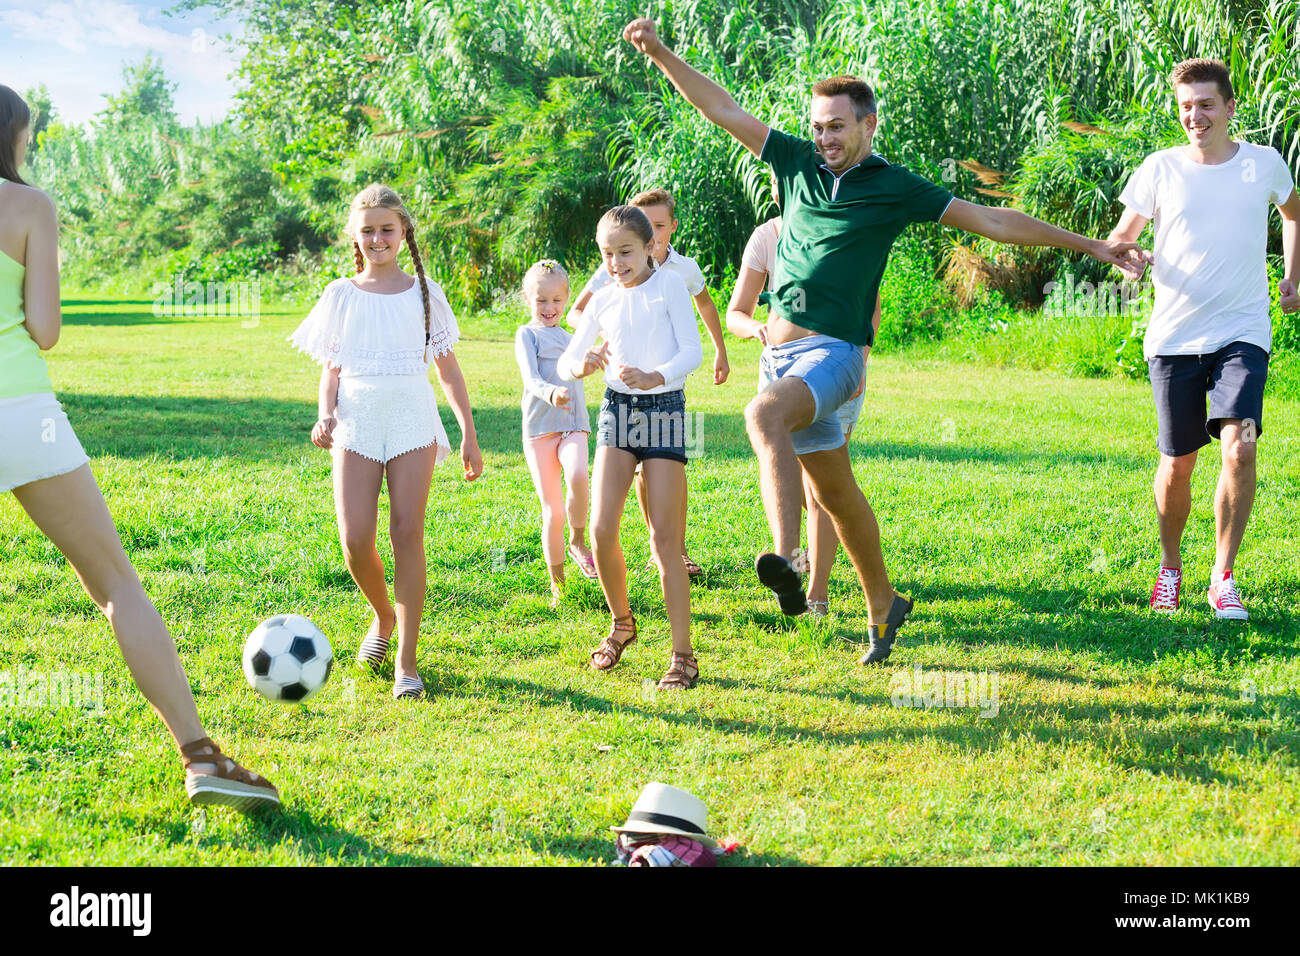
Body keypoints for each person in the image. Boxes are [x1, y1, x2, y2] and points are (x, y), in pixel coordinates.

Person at [621, 17, 1147, 665]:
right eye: (817, 125)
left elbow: (992, 221)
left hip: (836, 355)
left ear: (869, 125)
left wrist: (1092, 243)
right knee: (836, 494)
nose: (824, 137)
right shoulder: (794, 163)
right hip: (781, 357)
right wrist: (660, 50)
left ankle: (785, 559)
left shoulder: (895, 186)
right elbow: (719, 106)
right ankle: (883, 604)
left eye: (836, 125)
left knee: (763, 416)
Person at [0, 84, 278, 812]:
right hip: (23, 412)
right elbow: (46, 329)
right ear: (13, 136)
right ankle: (198, 753)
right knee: (116, 584)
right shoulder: (30, 207)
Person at [1108, 58, 1299, 621]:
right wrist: (1128, 259)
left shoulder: (1263, 164)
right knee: (1179, 463)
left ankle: (1223, 575)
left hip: (1243, 330)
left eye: (1207, 104)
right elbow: (1123, 236)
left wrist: (1293, 274)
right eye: (1187, 106)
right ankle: (1170, 567)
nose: (1195, 115)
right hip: (1173, 338)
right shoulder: (1160, 168)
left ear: (1230, 107)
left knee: (1240, 446)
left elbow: (1294, 212)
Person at [290, 184, 482, 700]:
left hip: (411, 420)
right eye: (369, 229)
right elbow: (330, 371)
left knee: (406, 533)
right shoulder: (340, 294)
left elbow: (448, 370)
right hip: (356, 420)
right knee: (355, 540)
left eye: (387, 229)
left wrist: (467, 431)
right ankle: (382, 615)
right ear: (355, 234)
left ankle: (406, 661)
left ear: (404, 234)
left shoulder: (425, 293)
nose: (378, 238)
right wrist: (325, 414)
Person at [559, 205, 704, 689]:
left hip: (663, 412)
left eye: (625, 252)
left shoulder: (668, 288)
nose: (617, 262)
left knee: (666, 541)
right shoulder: (601, 300)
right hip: (616, 412)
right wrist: (583, 365)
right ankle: (623, 622)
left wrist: (654, 375)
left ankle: (683, 655)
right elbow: (567, 362)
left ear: (648, 248)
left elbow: (693, 352)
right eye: (607, 254)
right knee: (601, 530)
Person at [727, 171, 880, 618]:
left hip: (834, 366)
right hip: (779, 367)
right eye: (781, 183)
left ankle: (816, 592)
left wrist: (863, 359)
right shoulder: (765, 237)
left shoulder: (844, 230)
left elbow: (868, 306)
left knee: (824, 487)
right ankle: (791, 566)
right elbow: (737, 310)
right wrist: (755, 326)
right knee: (782, 466)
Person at [571, 188, 726, 579]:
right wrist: (594, 348)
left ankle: (672, 547)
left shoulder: (680, 272)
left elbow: (703, 310)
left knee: (668, 473)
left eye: (659, 226)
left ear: (666, 230)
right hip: (618, 400)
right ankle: (660, 549)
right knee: (635, 477)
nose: (653, 234)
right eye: (647, 223)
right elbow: (582, 314)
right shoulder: (614, 266)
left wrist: (719, 350)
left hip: (665, 395)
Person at [513, 258, 597, 607]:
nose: (549, 308)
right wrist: (551, 392)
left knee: (579, 473)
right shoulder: (527, 334)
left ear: (567, 298)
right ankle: (558, 586)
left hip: (573, 423)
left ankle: (579, 540)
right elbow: (530, 377)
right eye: (541, 300)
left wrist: (590, 363)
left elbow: (577, 367)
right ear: (527, 299)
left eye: (557, 300)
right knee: (553, 510)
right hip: (539, 430)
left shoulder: (572, 337)